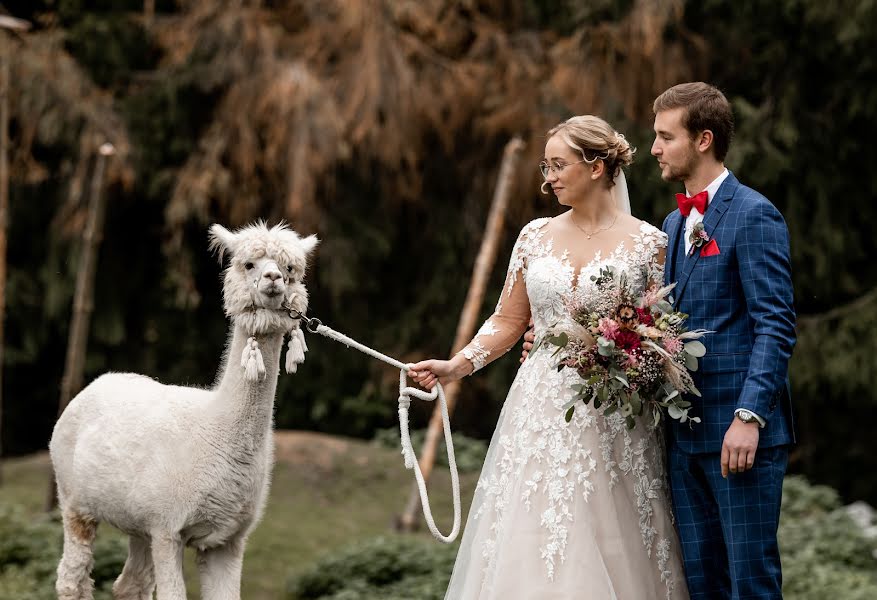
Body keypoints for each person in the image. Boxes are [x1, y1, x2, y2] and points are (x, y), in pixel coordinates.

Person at [522, 83, 796, 600]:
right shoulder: (673, 223)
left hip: (738, 433)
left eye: (665, 137)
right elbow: (654, 321)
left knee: (751, 582)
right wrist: (570, 336)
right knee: (702, 585)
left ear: (703, 140)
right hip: (683, 435)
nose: (653, 149)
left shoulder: (754, 215)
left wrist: (749, 416)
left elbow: (775, 325)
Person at [409, 115, 689, 599]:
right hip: (540, 409)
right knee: (534, 529)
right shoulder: (534, 236)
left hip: (614, 415)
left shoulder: (650, 243)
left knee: (611, 531)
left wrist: (637, 358)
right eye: (546, 165)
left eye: (559, 165)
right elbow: (508, 320)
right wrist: (458, 365)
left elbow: (662, 330)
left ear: (598, 166)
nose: (549, 177)